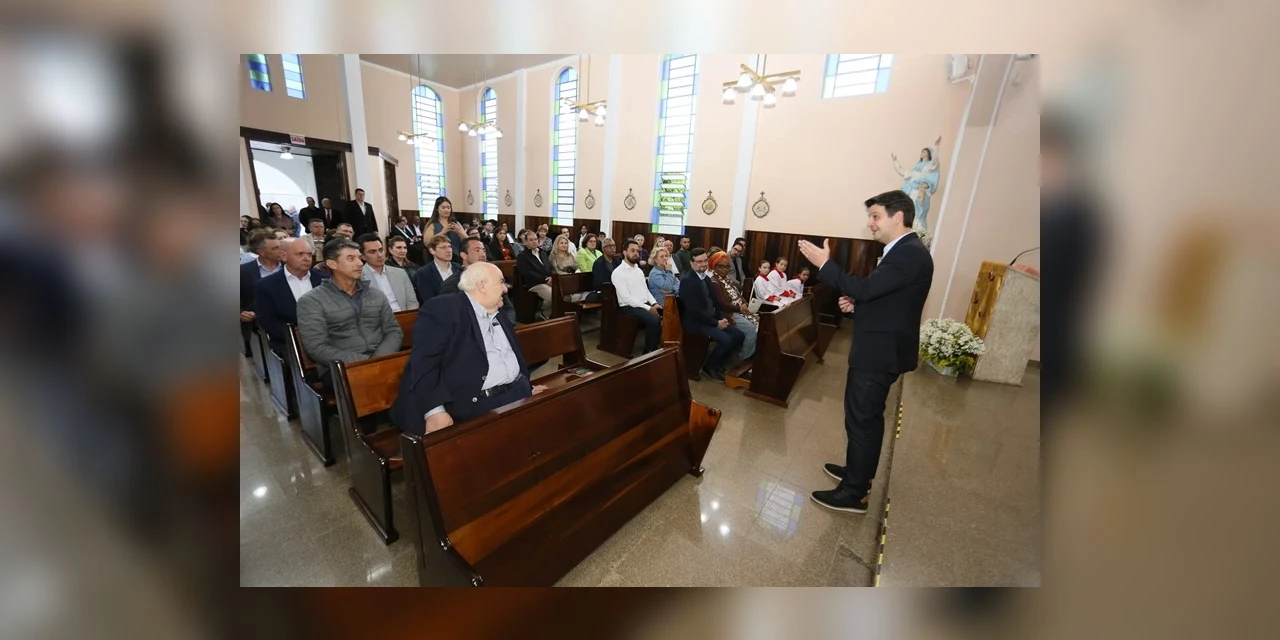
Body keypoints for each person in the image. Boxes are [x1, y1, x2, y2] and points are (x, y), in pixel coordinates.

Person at [797, 190, 934, 514]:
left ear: (897, 216)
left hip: (878, 353)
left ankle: (854, 493)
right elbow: (888, 301)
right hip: (880, 347)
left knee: (862, 420)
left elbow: (867, 288)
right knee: (864, 419)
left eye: (875, 216)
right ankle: (858, 474)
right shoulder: (905, 251)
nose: (870, 224)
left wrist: (825, 265)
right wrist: (859, 307)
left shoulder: (909, 253)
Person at [391, 261, 551, 437]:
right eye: (501, 282)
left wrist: (524, 386)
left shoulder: (497, 312)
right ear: (482, 286)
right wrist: (434, 411)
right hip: (476, 404)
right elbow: (424, 363)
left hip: (515, 393)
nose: (506, 289)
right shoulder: (444, 309)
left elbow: (508, 355)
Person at [296, 238, 403, 389]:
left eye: (359, 258)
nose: (360, 263)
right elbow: (317, 347)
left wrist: (379, 360)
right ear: (332, 264)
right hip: (340, 368)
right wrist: (365, 362)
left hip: (382, 359)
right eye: (350, 259)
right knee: (371, 385)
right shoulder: (312, 301)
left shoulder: (376, 295)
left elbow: (393, 331)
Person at [254, 237, 328, 355]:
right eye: (300, 254)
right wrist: (299, 337)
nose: (307, 258)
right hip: (289, 343)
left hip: (328, 339)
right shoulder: (266, 286)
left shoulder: (325, 280)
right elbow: (268, 321)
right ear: (284, 256)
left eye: (309, 254)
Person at [679, 249, 745, 381]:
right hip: (695, 323)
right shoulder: (688, 281)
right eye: (699, 262)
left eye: (705, 261)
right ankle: (709, 366)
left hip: (711, 319)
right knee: (726, 340)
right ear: (692, 263)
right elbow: (695, 311)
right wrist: (716, 324)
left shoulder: (707, 279)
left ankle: (718, 362)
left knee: (739, 335)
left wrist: (722, 318)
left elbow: (715, 303)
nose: (703, 264)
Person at [440, 236, 516, 325]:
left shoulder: (494, 276)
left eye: (484, 250)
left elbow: (507, 307)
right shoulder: (452, 284)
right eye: (477, 250)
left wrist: (505, 325)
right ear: (464, 255)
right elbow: (453, 317)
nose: (483, 254)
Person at [612, 239, 662, 354]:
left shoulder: (638, 270)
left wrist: (654, 304)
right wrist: (649, 308)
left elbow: (646, 290)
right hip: (628, 307)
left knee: (662, 313)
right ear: (624, 252)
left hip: (642, 304)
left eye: (637, 251)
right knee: (654, 320)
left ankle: (655, 344)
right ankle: (649, 351)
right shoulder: (618, 272)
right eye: (632, 251)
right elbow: (626, 298)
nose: (636, 253)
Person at [707, 250, 758, 361]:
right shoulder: (714, 282)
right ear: (714, 266)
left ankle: (750, 355)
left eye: (727, 267)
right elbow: (722, 304)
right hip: (728, 313)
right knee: (752, 329)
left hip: (738, 309)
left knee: (760, 323)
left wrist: (744, 303)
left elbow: (738, 295)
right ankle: (743, 360)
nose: (725, 269)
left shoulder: (727, 280)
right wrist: (740, 308)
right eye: (721, 266)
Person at [239, 229, 282, 355]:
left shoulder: (288, 266)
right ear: (261, 252)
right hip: (257, 328)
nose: (280, 250)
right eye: (274, 248)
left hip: (288, 325)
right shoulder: (243, 272)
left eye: (280, 246)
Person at [357, 233, 418, 313]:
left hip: (404, 317)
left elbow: (412, 301)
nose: (379, 255)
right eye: (372, 252)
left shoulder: (400, 273)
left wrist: (408, 318)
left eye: (381, 250)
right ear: (363, 256)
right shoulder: (358, 278)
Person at [515, 229, 555, 320]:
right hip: (535, 284)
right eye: (531, 240)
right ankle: (544, 313)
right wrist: (545, 279)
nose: (534, 242)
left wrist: (552, 277)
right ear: (525, 242)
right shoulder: (522, 256)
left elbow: (550, 268)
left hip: (549, 281)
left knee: (562, 293)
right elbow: (527, 273)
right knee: (553, 295)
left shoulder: (543, 253)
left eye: (536, 239)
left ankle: (554, 315)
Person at [416, 234, 457, 303]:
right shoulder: (423, 273)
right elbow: (428, 300)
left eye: (449, 246)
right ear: (432, 251)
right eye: (443, 247)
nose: (449, 250)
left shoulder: (459, 269)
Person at [424, 196, 466, 261]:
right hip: (439, 257)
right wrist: (442, 232)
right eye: (443, 208)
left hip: (457, 256)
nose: (446, 210)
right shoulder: (432, 225)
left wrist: (459, 232)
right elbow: (427, 243)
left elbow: (467, 240)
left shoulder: (455, 223)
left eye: (448, 208)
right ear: (437, 209)